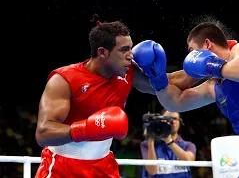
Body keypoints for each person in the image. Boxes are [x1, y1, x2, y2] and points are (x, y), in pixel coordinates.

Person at [34, 14, 197, 178]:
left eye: (131, 48)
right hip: (62, 166)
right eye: (124, 50)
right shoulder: (64, 80)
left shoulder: (128, 73)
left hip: (103, 165)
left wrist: (210, 67)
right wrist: (87, 128)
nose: (131, 55)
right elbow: (43, 133)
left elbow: (170, 84)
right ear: (102, 52)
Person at [135, 22, 239, 177]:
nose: (191, 59)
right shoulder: (213, 86)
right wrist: (158, 80)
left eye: (192, 51)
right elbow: (175, 102)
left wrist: (210, 64)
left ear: (208, 44)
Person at [140, 109, 196, 178]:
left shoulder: (188, 145)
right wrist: (151, 139)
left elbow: (189, 161)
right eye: (168, 119)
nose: (172, 122)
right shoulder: (147, 144)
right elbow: (152, 171)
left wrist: (169, 141)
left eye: (175, 119)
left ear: (180, 122)